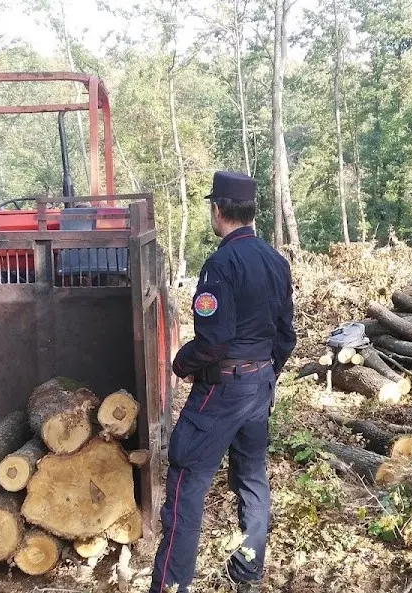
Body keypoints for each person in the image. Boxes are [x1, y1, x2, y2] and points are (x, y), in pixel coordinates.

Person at [150, 171, 297, 593]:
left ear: (217, 210)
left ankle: (170, 586)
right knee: (251, 477)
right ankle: (247, 571)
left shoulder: (220, 265)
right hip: (260, 385)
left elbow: (214, 342)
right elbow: (286, 336)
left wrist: (181, 363)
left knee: (187, 480)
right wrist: (266, 375)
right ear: (250, 211)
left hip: (223, 390)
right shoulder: (275, 261)